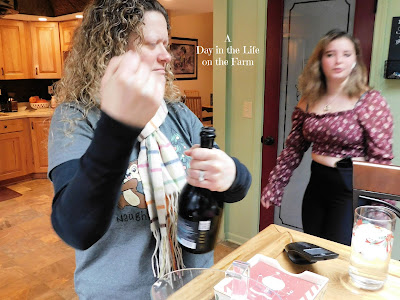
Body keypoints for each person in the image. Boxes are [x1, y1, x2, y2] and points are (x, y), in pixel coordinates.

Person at [48, 0, 252, 299]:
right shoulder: (76, 118)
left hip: (193, 286)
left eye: (166, 44)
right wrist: (118, 126)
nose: (167, 56)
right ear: (111, 52)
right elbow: (76, 228)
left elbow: (233, 187)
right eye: (149, 43)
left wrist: (233, 174)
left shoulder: (177, 114)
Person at [261, 29, 393, 246]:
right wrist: (275, 185)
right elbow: (294, 148)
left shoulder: (370, 101)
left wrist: (380, 211)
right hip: (317, 183)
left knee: (337, 250)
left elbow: (381, 159)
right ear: (320, 60)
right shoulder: (309, 100)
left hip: (350, 187)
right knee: (313, 244)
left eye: (346, 54)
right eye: (330, 54)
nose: (338, 60)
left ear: (355, 61)